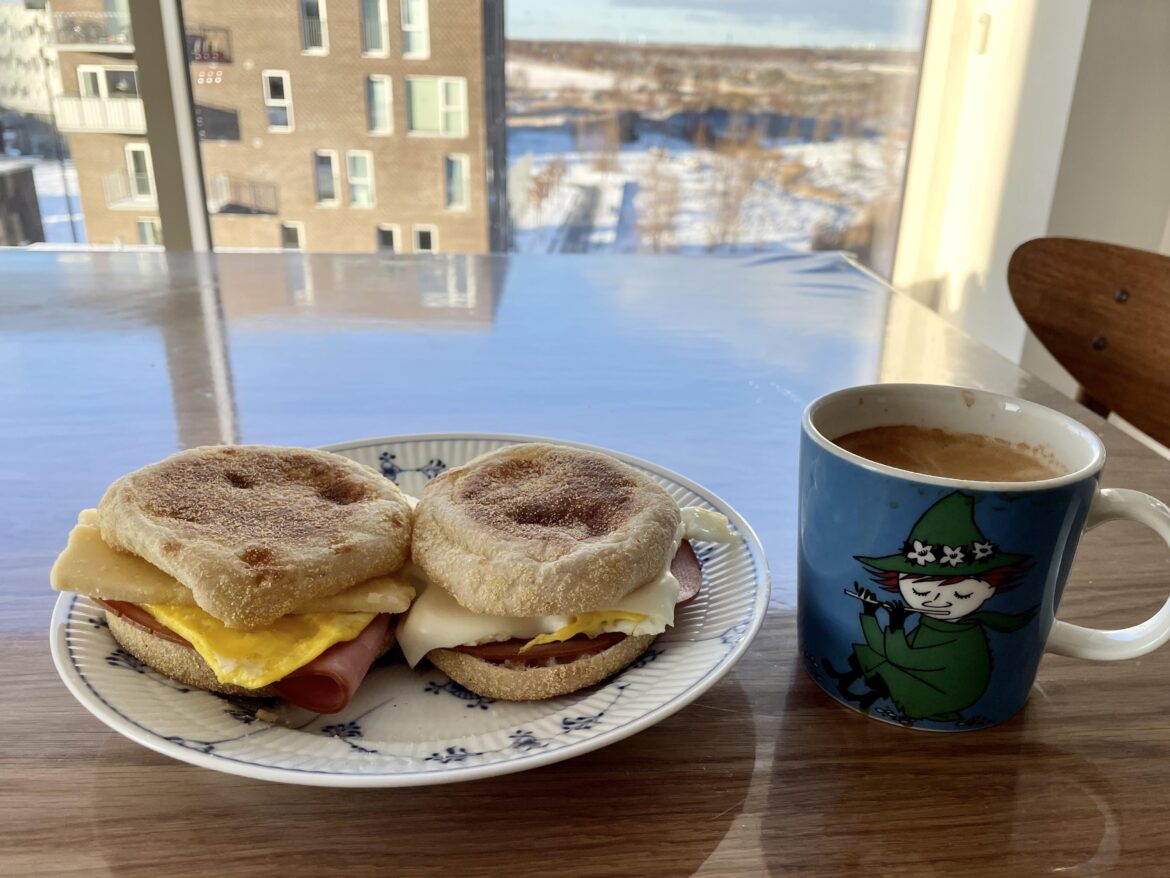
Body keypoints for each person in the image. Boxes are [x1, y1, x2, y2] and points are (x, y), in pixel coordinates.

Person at [823, 492, 1037, 724]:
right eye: (921, 593)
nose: (938, 602)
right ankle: (849, 684)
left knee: (882, 663)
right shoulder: (933, 624)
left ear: (989, 589)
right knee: (874, 654)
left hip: (943, 694)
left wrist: (895, 626)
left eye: (962, 594)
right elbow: (887, 649)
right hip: (925, 679)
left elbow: (902, 658)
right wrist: (869, 611)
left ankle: (886, 702)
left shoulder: (960, 635)